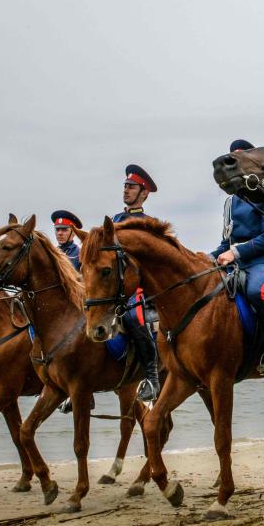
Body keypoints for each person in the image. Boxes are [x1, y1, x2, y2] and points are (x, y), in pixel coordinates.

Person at [212, 140, 264, 377]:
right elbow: (226, 242)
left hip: (262, 261)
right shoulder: (229, 203)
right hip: (235, 263)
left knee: (257, 292)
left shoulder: (261, 197)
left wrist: (235, 253)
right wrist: (205, 258)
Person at [113, 164, 160, 400]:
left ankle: (151, 376)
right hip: (114, 288)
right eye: (125, 186)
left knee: (133, 316)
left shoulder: (149, 224)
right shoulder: (115, 220)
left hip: (138, 287)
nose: (126, 190)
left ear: (144, 193)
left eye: (131, 187)